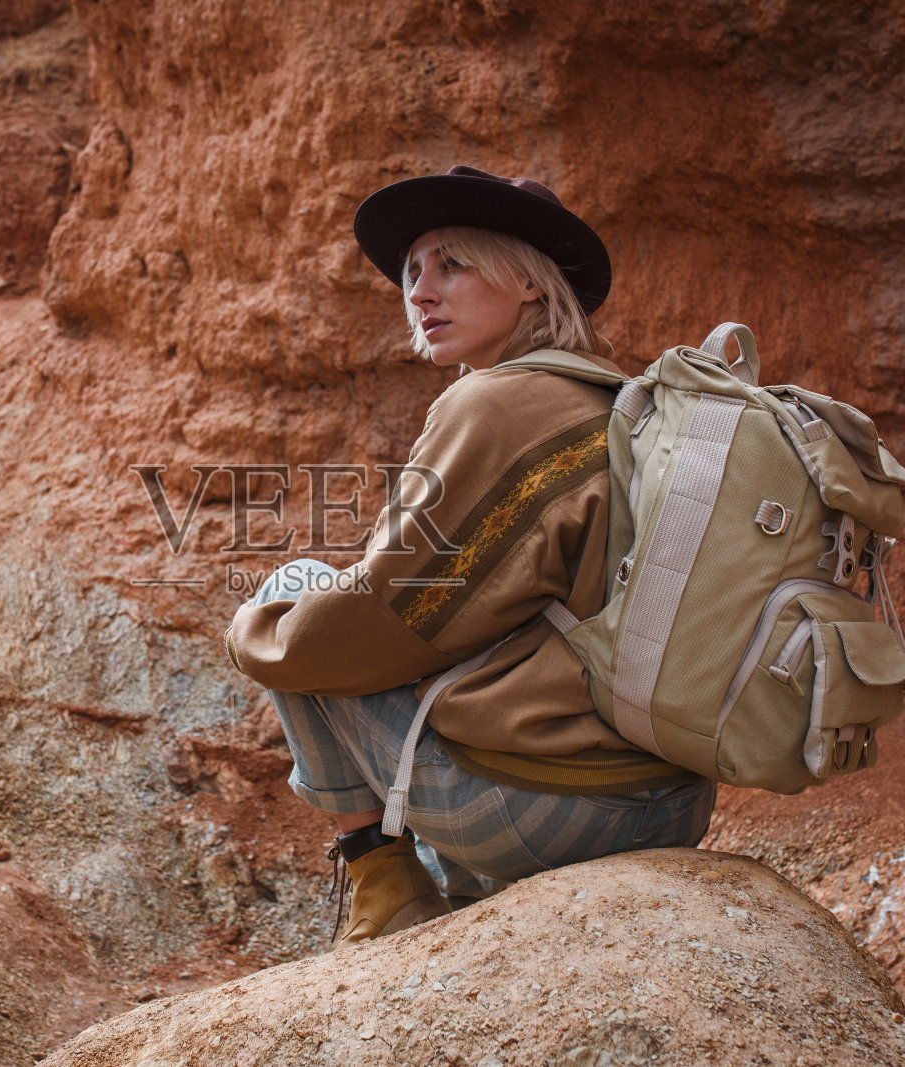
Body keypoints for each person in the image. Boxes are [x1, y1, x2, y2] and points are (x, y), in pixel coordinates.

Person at [223, 165, 716, 946]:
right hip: (677, 798)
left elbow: (381, 618)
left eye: (453, 263)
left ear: (527, 280)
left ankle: (385, 885)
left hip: (558, 814)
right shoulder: (626, 401)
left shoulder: (493, 402)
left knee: (294, 589)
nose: (421, 292)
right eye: (414, 272)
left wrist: (257, 633)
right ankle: (458, 903)